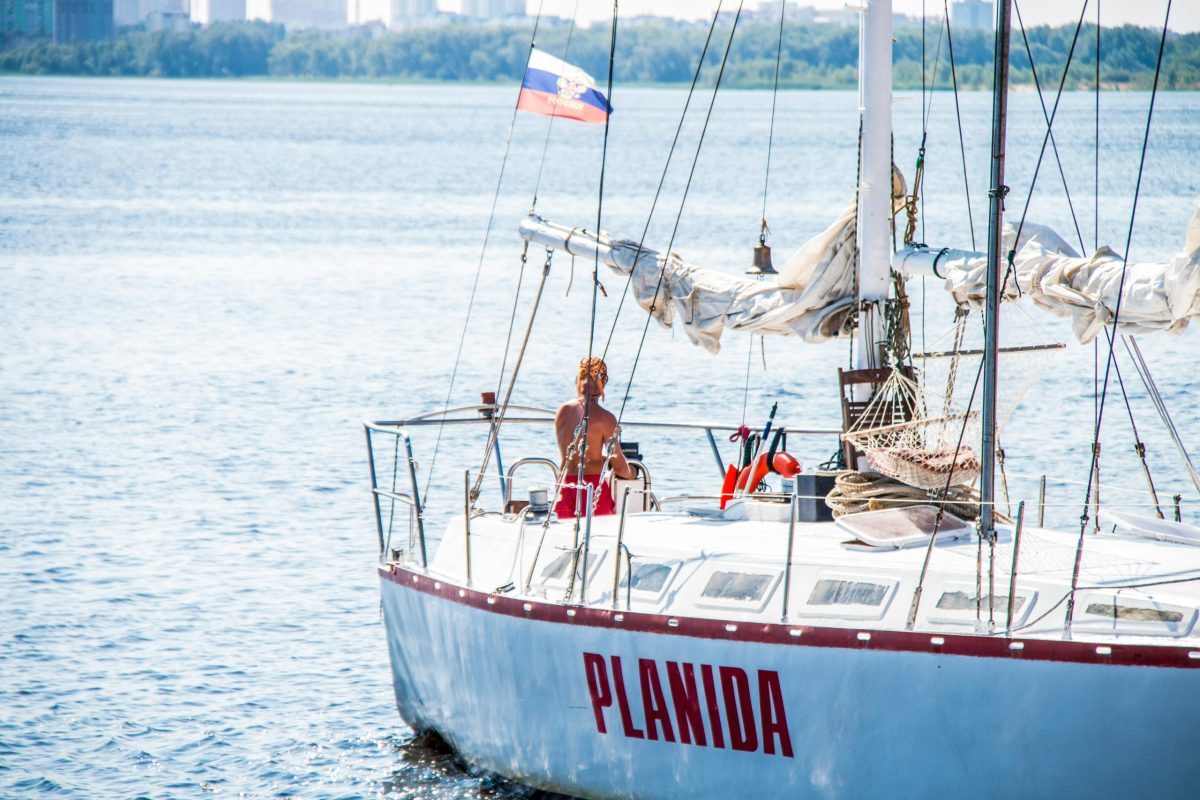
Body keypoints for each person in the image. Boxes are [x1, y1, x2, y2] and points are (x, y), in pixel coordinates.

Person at [554, 356, 636, 518]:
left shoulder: (562, 410)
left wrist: (600, 457)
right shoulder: (606, 418)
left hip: (563, 486)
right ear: (603, 382)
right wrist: (632, 472)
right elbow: (619, 467)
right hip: (591, 487)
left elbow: (575, 451)